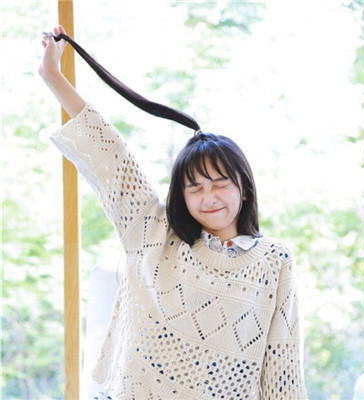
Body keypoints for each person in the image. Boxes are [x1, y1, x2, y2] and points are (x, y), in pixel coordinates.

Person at [40, 26, 307, 400]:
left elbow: (283, 366)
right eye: (194, 187)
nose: (208, 197)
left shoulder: (275, 261)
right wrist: (52, 75)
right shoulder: (152, 230)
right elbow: (111, 154)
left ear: (244, 189)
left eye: (219, 184)